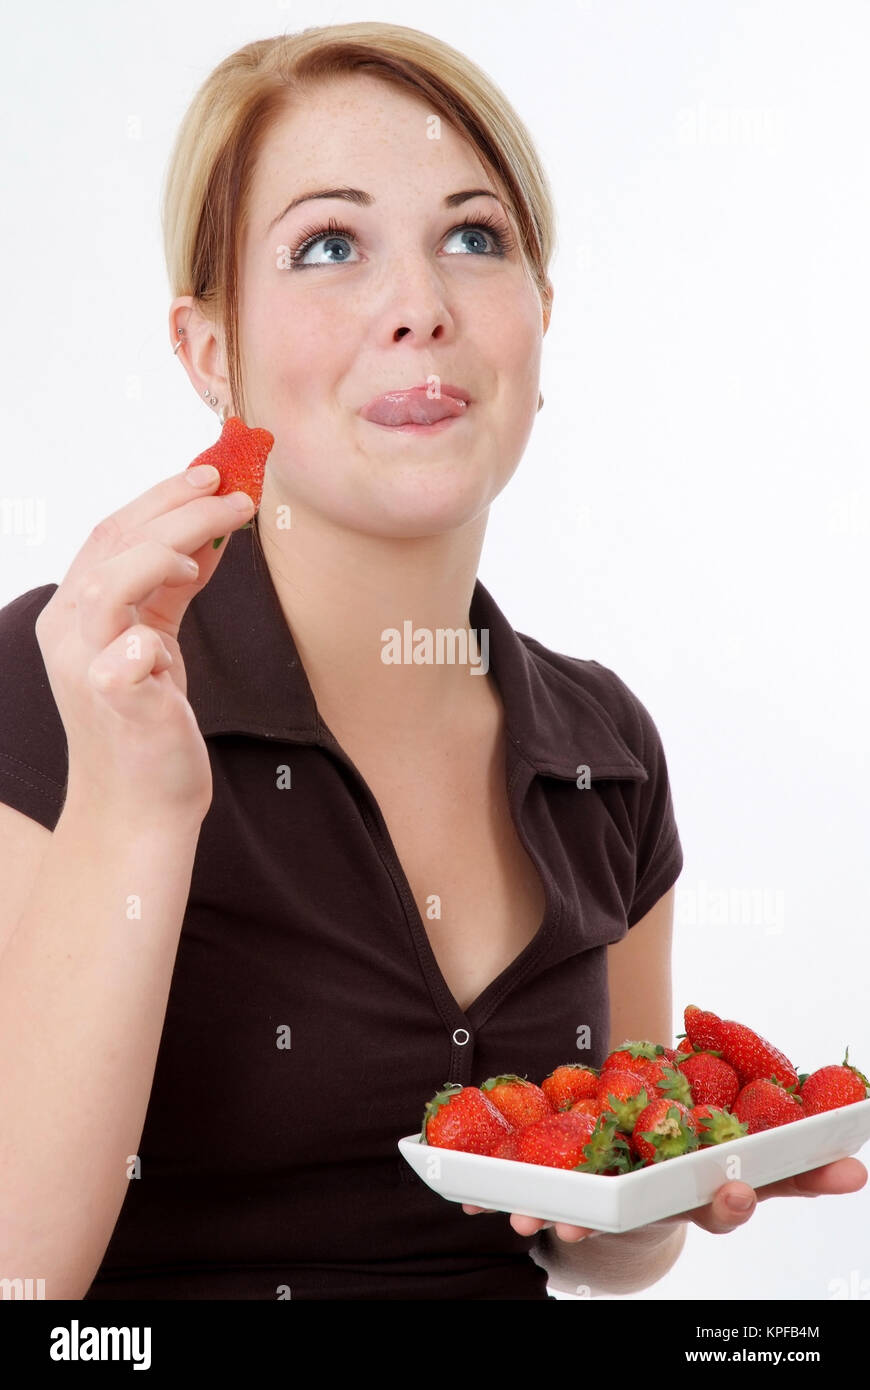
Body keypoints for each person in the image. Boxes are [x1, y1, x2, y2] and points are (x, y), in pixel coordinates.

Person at [0, 21, 864, 1302]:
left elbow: (611, 1242)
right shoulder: (57, 679)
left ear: (540, 317)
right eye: (329, 246)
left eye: (475, 237)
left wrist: (655, 1194)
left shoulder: (606, 748)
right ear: (209, 350)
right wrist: (138, 805)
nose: (422, 307)